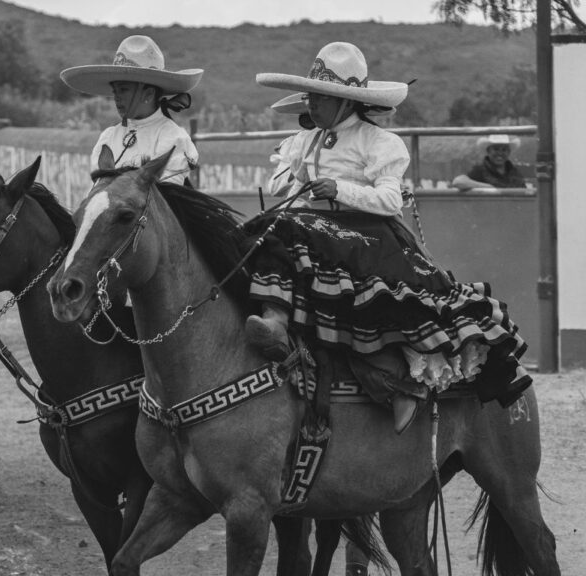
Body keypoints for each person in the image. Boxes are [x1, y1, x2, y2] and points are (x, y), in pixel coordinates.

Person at [245, 42, 531, 434]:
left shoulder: (380, 142)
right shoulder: (302, 142)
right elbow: (278, 188)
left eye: (319, 98)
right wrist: (294, 171)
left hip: (369, 236)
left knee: (304, 245)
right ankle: (273, 324)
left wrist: (339, 189)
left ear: (345, 101)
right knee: (264, 229)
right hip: (314, 232)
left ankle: (396, 384)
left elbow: (390, 199)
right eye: (310, 97)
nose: (311, 105)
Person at [60, 34, 203, 183]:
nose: (117, 97)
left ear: (148, 93)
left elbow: (165, 198)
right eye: (115, 91)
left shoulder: (173, 138)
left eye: (123, 90)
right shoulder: (109, 138)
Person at [452, 134, 527, 191]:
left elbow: (525, 193)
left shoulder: (515, 172)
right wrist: (490, 188)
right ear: (488, 151)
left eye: (504, 150)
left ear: (508, 152)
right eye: (496, 149)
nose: (500, 153)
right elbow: (458, 182)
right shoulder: (479, 170)